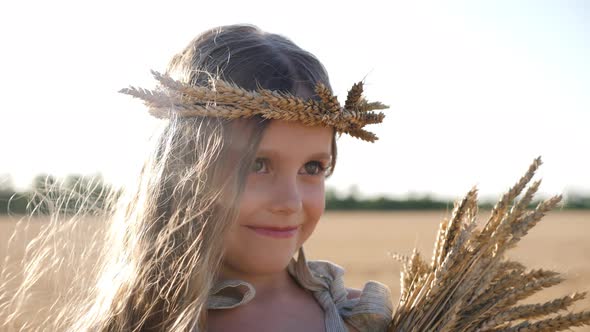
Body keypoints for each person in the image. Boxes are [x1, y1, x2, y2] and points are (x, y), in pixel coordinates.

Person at [2, 24, 392, 332]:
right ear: (183, 171)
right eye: (257, 165)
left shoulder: (359, 319)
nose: (290, 202)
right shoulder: (136, 321)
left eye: (312, 168)